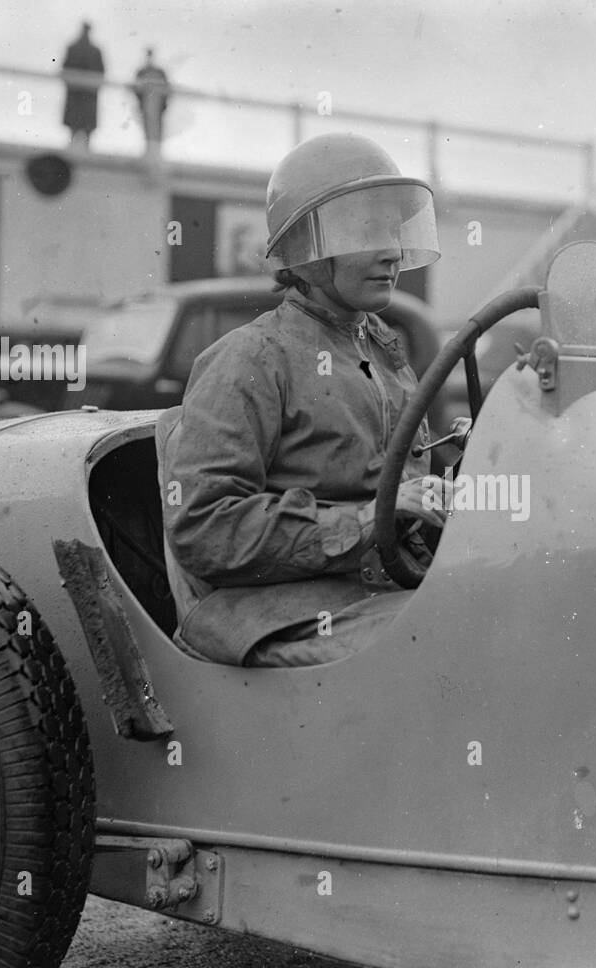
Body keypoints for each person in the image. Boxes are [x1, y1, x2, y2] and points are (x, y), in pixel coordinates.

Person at [158, 133, 448, 667]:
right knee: (451, 646)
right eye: (366, 229)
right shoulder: (251, 358)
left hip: (374, 593)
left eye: (392, 229)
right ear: (306, 251)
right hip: (274, 612)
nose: (392, 251)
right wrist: (365, 521)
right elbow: (205, 528)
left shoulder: (383, 351)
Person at [61, 20, 103, 146]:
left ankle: (82, 145)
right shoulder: (77, 48)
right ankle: (78, 145)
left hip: (85, 94)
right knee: (77, 125)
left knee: (82, 125)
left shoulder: (90, 50)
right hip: (80, 94)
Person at [133, 47, 170, 153]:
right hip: (146, 105)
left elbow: (166, 89)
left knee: (156, 129)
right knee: (147, 128)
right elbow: (136, 88)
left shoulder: (159, 72)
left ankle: (155, 151)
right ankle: (149, 151)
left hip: (157, 107)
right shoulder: (142, 71)